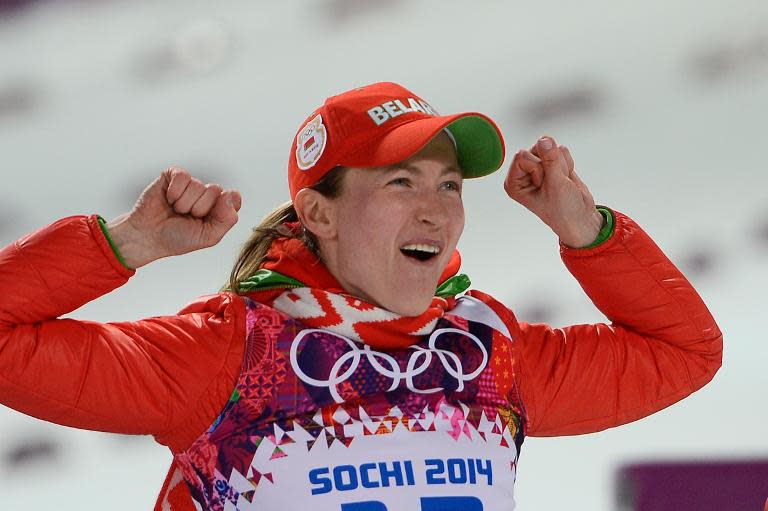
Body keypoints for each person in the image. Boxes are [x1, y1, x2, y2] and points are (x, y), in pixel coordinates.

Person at [0, 81, 722, 511]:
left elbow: (685, 351)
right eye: (400, 183)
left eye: (447, 184)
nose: (435, 211)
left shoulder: (488, 352)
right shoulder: (228, 353)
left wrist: (586, 229)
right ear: (318, 213)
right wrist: (127, 243)